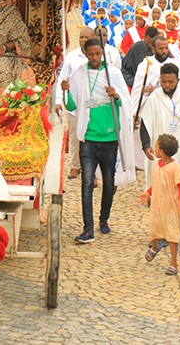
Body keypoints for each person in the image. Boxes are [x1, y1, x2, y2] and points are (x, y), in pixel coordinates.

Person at [61, 38, 133, 243]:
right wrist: (66, 91)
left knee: (109, 183)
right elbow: (72, 105)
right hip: (88, 137)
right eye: (90, 54)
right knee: (87, 183)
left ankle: (104, 218)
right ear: (84, 53)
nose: (94, 57)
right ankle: (88, 229)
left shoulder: (113, 73)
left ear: (102, 53)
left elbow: (126, 101)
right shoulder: (79, 73)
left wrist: (116, 95)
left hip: (109, 137)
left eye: (97, 54)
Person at [139, 63, 180, 191]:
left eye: (171, 82)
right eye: (164, 81)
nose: (167, 85)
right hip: (159, 149)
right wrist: (146, 145)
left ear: (178, 80)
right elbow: (145, 123)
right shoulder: (155, 97)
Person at [140, 134, 180, 276]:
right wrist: (148, 193)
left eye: (156, 146)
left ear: (161, 151)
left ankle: (173, 263)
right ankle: (155, 247)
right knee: (154, 229)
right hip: (157, 205)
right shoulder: (156, 165)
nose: (154, 149)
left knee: (172, 235)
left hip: (171, 206)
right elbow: (156, 184)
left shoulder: (175, 168)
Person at [55, 27, 98, 180]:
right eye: (81, 37)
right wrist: (58, 101)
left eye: (87, 37)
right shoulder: (72, 56)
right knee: (74, 137)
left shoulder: (99, 56)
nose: (83, 40)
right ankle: (75, 165)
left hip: (93, 105)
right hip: (74, 105)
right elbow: (62, 79)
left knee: (91, 138)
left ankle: (92, 171)